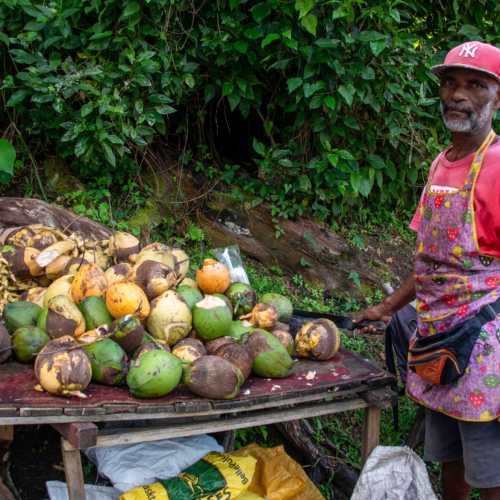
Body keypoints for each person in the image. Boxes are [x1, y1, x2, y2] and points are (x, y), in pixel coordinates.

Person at [355, 41, 500, 500]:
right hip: (436, 340)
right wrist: (385, 308)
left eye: (476, 85)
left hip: (483, 349)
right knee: (449, 458)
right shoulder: (442, 163)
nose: (458, 95)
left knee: (491, 470)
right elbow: (430, 261)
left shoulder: (497, 168)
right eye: (450, 83)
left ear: (498, 98)